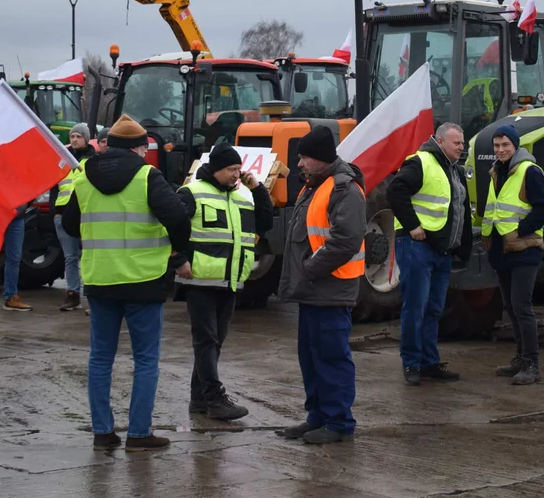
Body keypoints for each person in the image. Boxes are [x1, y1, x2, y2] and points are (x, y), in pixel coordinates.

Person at [60, 114, 191, 452]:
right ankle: (138, 433)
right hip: (143, 280)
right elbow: (177, 216)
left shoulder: (84, 177)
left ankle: (103, 433)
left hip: (100, 280)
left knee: (100, 358)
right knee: (145, 359)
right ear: (137, 148)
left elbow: (71, 225)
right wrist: (177, 250)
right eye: (144, 149)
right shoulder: (147, 176)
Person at [277, 125, 366, 445]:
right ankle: (318, 416)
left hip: (330, 288)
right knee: (311, 357)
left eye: (304, 157)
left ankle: (339, 422)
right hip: (313, 290)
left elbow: (345, 241)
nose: (298, 163)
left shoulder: (344, 189)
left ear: (321, 159)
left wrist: (310, 270)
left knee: (331, 357)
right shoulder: (315, 185)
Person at [174, 142, 273, 420]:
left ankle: (199, 399)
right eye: (231, 169)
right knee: (206, 339)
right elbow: (171, 226)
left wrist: (258, 188)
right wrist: (178, 260)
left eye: (238, 169)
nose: (236, 174)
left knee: (214, 342)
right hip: (199, 281)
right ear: (215, 169)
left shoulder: (242, 195)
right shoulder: (191, 193)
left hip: (230, 282)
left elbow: (265, 222)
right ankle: (216, 399)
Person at [388, 123, 472, 386]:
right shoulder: (421, 162)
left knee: (433, 309)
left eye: (462, 143)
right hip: (417, 248)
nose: (462, 147)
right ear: (440, 141)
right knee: (416, 308)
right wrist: (413, 226)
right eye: (457, 143)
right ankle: (412, 364)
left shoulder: (453, 170)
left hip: (441, 249)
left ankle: (428, 363)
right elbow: (395, 191)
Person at [482, 124, 544, 386]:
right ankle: (521, 358)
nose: (501, 150)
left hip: (524, 249)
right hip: (502, 250)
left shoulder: (529, 171)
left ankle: (532, 364)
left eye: (505, 145)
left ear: (515, 146)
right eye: (497, 146)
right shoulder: (496, 172)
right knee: (510, 307)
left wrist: (520, 230)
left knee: (522, 307)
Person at [52, 123, 96, 313]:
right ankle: (72, 295)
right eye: (72, 137)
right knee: (70, 257)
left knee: (90, 255)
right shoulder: (63, 159)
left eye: (78, 136)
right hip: (63, 214)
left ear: (86, 138)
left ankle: (93, 295)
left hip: (86, 213)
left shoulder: (93, 160)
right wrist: (54, 210)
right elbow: (54, 185)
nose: (75, 140)